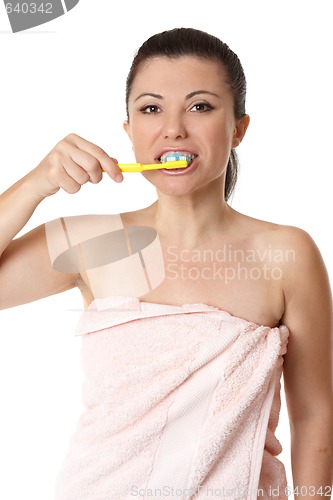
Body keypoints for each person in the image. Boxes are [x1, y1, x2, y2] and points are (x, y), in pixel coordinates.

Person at [0, 27, 332, 499]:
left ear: (238, 128)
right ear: (129, 131)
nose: (173, 128)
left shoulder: (288, 254)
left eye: (200, 106)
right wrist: (36, 184)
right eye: (151, 108)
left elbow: (315, 412)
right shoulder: (91, 241)